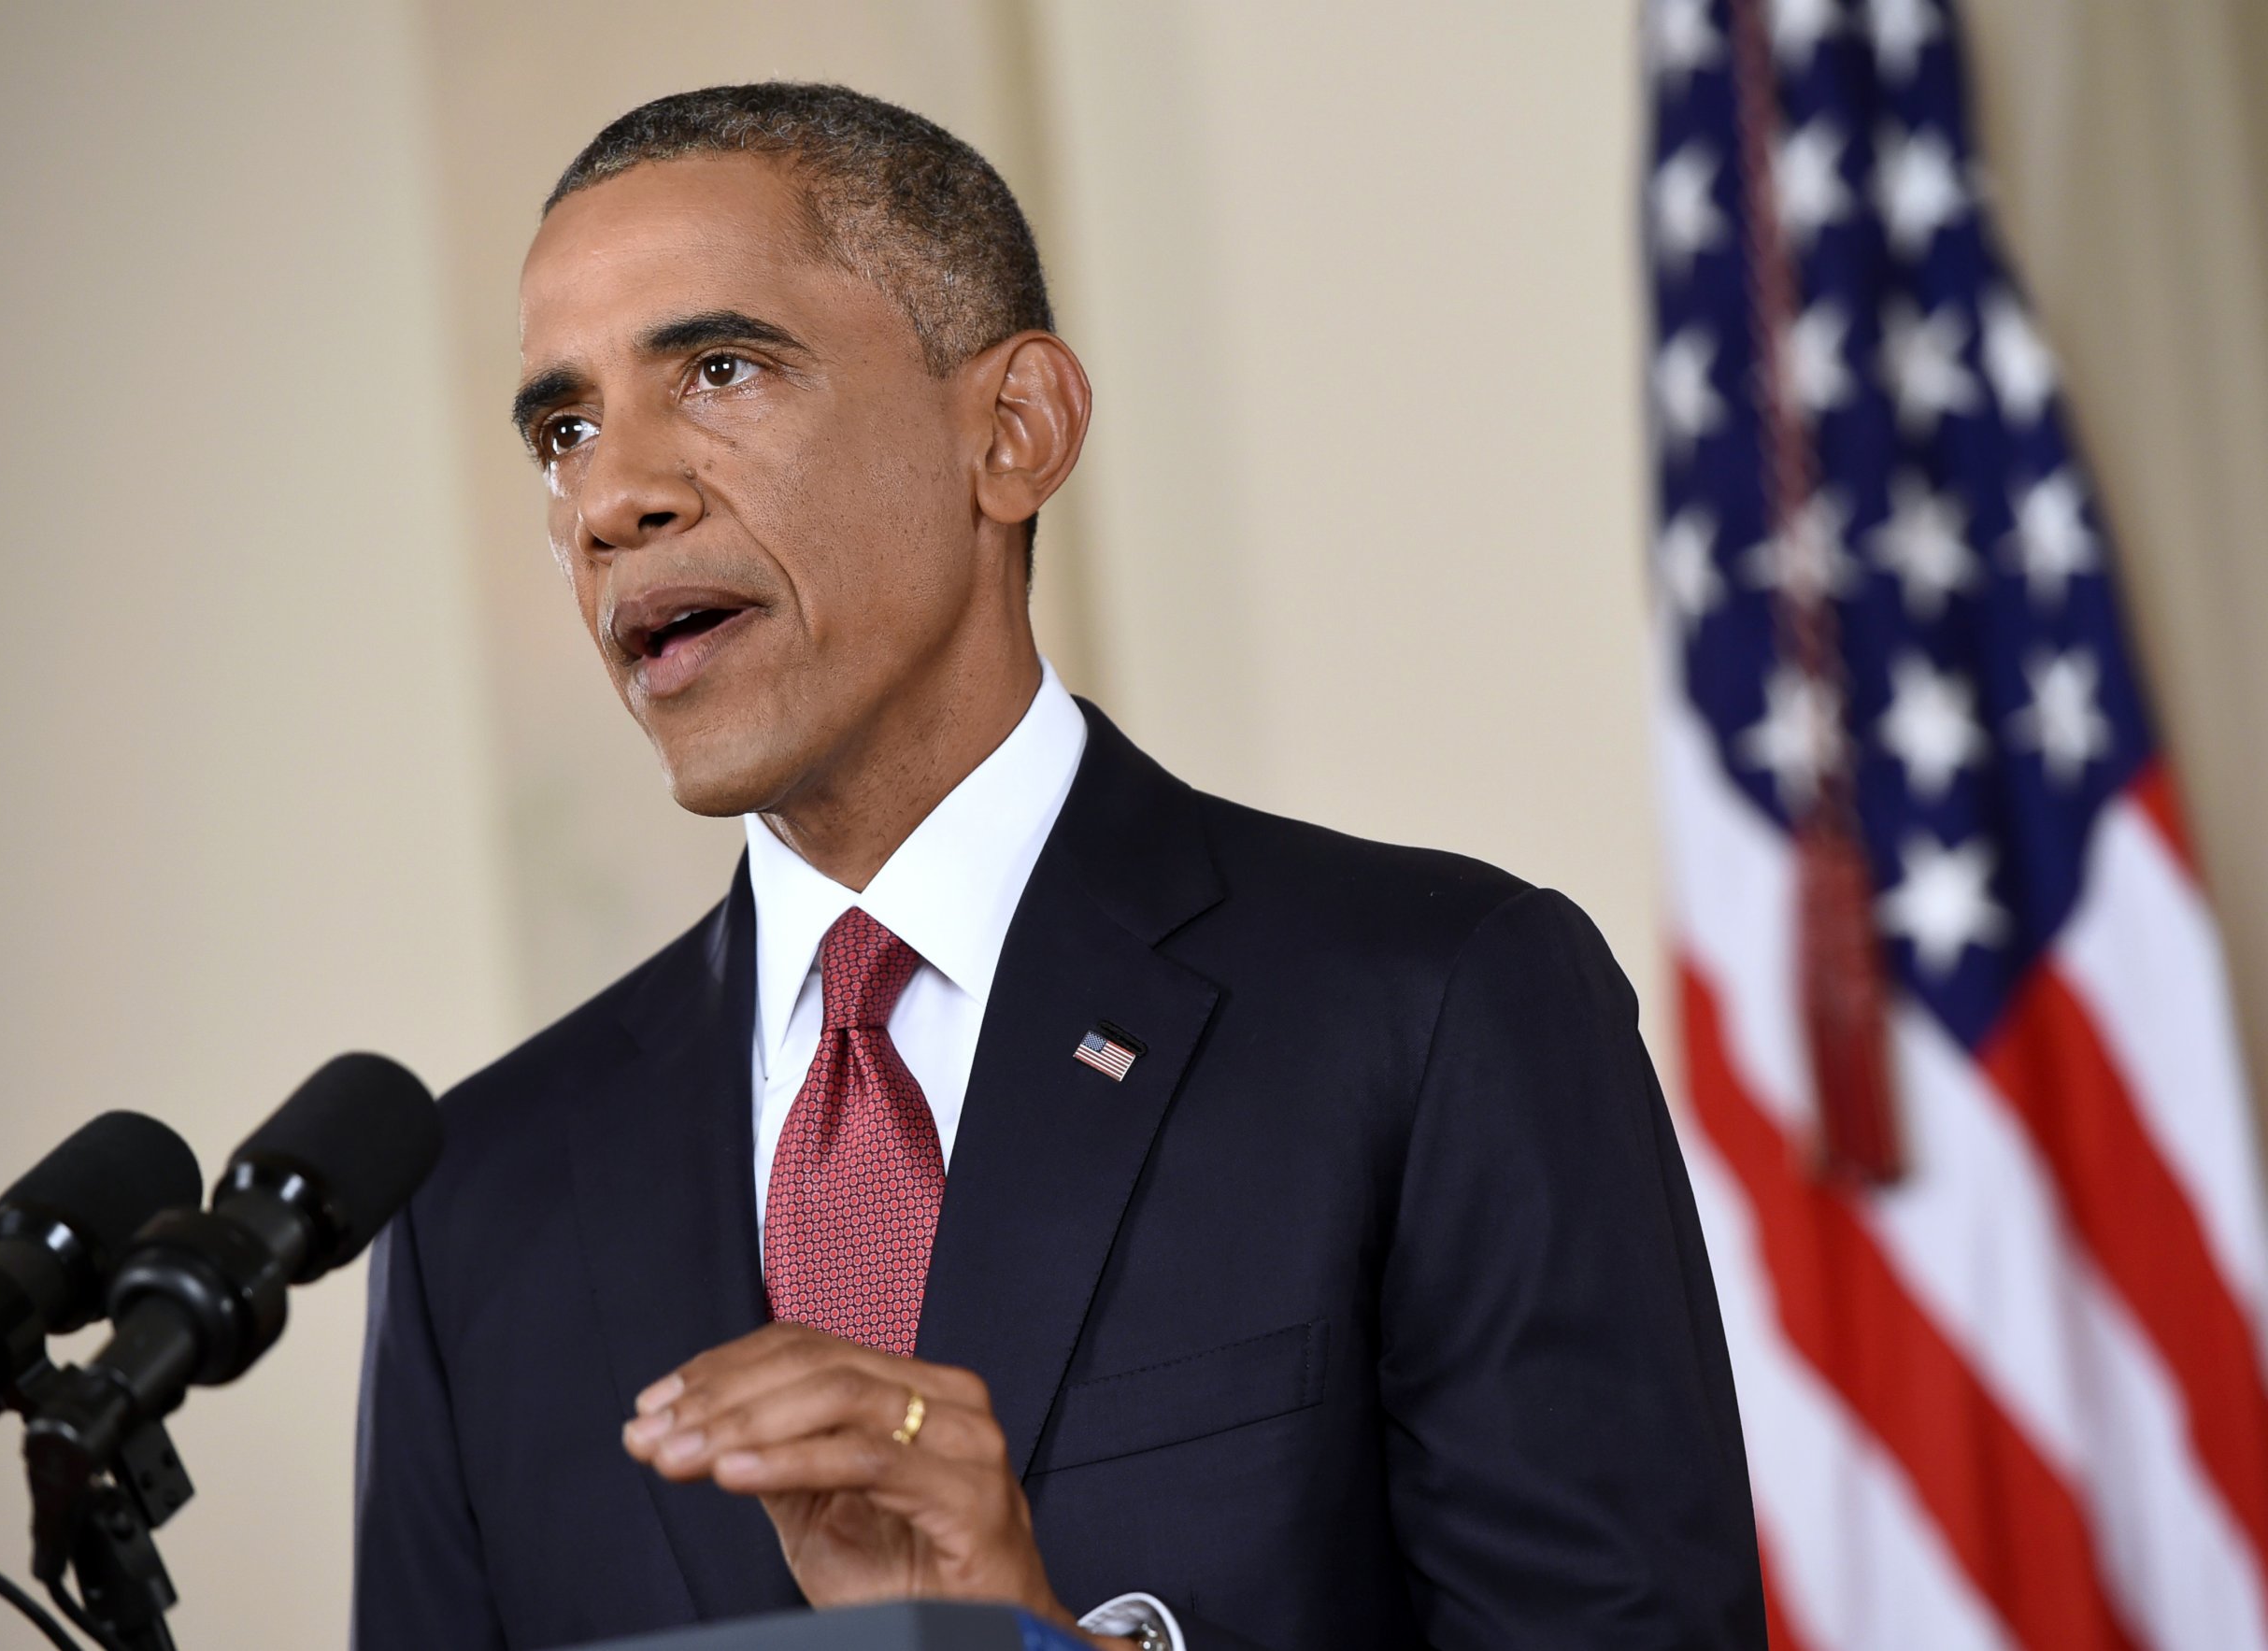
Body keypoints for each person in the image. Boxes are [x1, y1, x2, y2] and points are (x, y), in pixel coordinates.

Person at [353, 82, 1764, 1651]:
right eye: (565, 429)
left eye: (723, 369)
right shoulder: (474, 1197)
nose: (613, 497)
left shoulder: (1432, 1008)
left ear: (1012, 433)